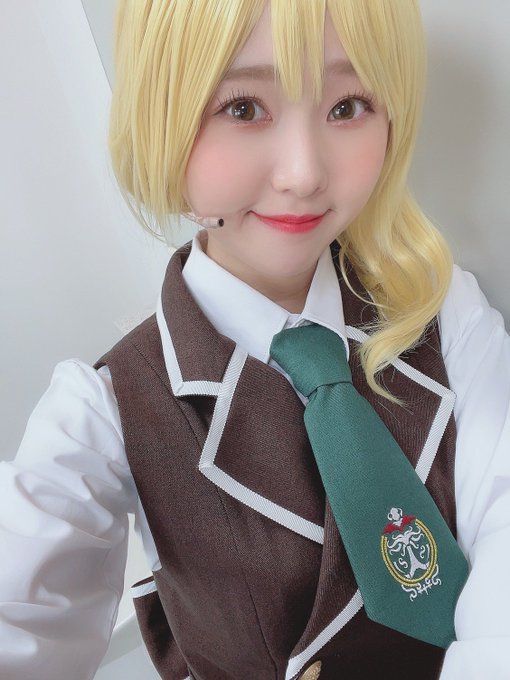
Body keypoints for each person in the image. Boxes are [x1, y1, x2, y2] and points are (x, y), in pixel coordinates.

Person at [1, 1, 509, 678]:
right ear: (163, 116)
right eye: (243, 108)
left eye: (348, 105)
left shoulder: (444, 312)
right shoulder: (105, 411)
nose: (303, 172)